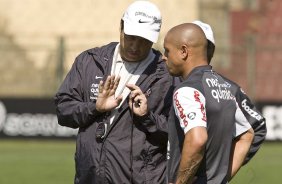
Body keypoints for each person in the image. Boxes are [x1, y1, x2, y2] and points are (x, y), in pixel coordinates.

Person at [54, 1, 176, 183]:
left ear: (154, 38)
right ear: (121, 26)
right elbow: (63, 111)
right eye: (131, 37)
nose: (135, 46)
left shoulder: (167, 75)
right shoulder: (89, 62)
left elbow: (178, 132)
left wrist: (147, 117)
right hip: (90, 177)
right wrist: (95, 107)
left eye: (143, 40)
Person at [163, 23, 255, 184]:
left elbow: (197, 139)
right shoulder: (225, 86)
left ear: (183, 51)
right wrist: (221, 179)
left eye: (167, 50)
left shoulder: (187, 90)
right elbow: (247, 135)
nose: (164, 56)